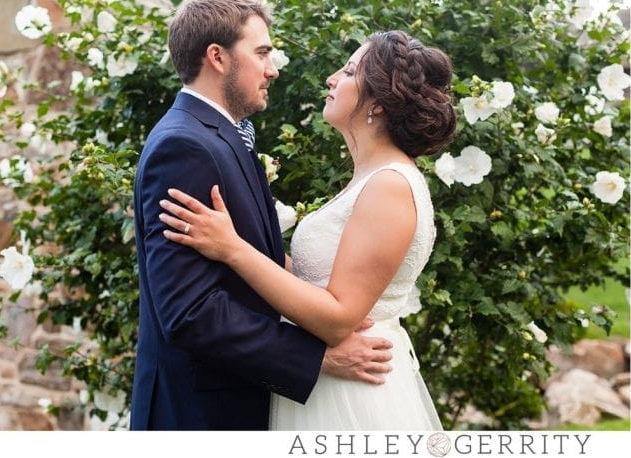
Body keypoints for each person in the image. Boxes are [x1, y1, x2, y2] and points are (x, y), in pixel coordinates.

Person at [157, 30, 457, 429]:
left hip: (352, 391)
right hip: (321, 384)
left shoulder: (390, 185)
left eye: (349, 72)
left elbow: (338, 319)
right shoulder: (368, 178)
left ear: (379, 103)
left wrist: (233, 249)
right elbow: (318, 280)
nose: (332, 78)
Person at [131, 0, 393, 430]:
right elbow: (191, 312)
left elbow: (254, 262)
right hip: (200, 418)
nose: (272, 69)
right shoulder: (184, 147)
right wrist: (318, 357)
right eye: (262, 53)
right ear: (217, 56)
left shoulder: (222, 134)